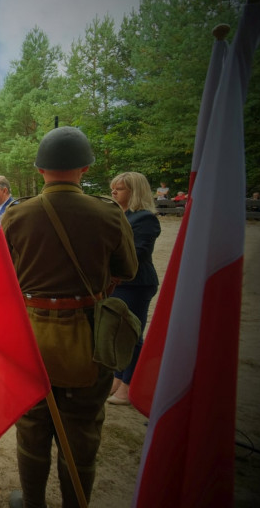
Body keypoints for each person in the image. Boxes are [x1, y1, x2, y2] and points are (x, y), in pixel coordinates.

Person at [1, 127, 136, 508]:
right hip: (88, 339)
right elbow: (128, 269)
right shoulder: (108, 213)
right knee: (82, 431)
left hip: (30, 338)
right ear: (85, 168)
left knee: (31, 427)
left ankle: (32, 503)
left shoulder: (16, 215)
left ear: (40, 170)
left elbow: (1, 274)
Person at [106, 172, 161, 406]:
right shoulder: (122, 215)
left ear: (134, 191)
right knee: (118, 334)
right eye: (113, 188)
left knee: (132, 334)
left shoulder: (145, 219)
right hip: (119, 282)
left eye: (119, 189)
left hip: (136, 283)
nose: (114, 192)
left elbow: (137, 253)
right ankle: (118, 378)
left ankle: (129, 386)